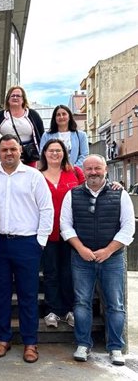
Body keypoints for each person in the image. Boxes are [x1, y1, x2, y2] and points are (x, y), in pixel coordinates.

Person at [0, 135, 53, 363]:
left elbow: (46, 209)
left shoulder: (33, 176)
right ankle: (3, 339)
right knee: (0, 294)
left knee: (28, 295)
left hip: (27, 243)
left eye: (13, 149)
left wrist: (40, 241)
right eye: (4, 150)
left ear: (20, 151)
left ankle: (30, 343)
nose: (8, 153)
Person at [60, 155, 135, 365]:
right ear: (83, 171)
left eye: (97, 168)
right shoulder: (72, 194)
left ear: (105, 169)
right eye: (89, 169)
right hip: (81, 258)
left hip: (112, 259)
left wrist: (109, 250)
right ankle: (83, 344)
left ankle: (115, 347)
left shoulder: (120, 194)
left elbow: (128, 227)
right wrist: (81, 248)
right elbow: (65, 226)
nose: (93, 172)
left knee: (115, 304)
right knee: (82, 302)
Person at [38, 138, 85, 329]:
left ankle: (69, 310)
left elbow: (91, 189)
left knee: (69, 272)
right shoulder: (37, 175)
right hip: (47, 232)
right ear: (45, 154)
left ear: (64, 153)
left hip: (71, 232)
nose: (55, 154)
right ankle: (52, 310)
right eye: (51, 151)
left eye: (58, 151)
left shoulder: (75, 172)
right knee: (51, 272)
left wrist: (114, 186)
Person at [0, 86, 44, 166]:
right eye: (12, 96)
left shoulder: (32, 115)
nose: (15, 98)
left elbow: (41, 136)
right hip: (6, 156)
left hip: (28, 156)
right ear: (8, 99)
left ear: (23, 99)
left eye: (18, 96)